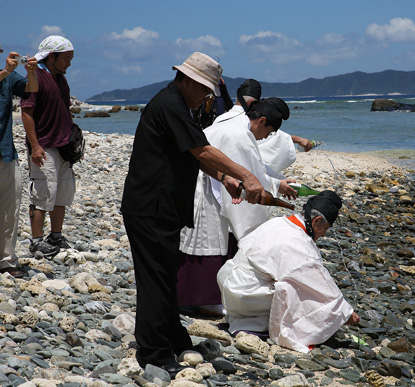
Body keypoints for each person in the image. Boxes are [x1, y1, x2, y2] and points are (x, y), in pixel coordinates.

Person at [121, 51, 265, 377]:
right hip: (150, 207)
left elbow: (192, 154)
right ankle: (153, 352)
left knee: (166, 276)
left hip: (163, 207)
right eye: (204, 90)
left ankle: (172, 337)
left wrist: (224, 177)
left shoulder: (179, 105)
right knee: (155, 279)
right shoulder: (170, 104)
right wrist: (246, 176)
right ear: (188, 80)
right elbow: (203, 149)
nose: (205, 98)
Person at [177, 96, 296, 317]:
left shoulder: (234, 123)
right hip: (206, 185)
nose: (266, 137)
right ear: (261, 121)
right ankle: (205, 300)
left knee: (205, 238)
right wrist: (276, 186)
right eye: (268, 132)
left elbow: (254, 168)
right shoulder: (239, 135)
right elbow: (250, 175)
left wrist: (277, 183)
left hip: (208, 180)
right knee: (210, 239)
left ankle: (191, 296)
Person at [217, 190, 360, 353]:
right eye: (325, 228)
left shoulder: (281, 222)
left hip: (230, 282)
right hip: (243, 293)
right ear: (317, 221)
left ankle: (249, 317)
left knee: (296, 281)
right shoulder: (296, 241)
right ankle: (265, 324)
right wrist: (345, 312)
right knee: (298, 289)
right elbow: (319, 282)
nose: (323, 234)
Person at [20, 35, 75, 257]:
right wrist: (35, 145)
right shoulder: (36, 78)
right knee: (42, 195)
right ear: (51, 57)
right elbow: (27, 111)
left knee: (61, 194)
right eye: (66, 59)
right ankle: (36, 241)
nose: (69, 63)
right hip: (44, 146)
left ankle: (56, 236)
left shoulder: (61, 79)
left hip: (63, 147)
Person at [0, 42, 38, 278]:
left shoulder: (9, 79)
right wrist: (4, 72)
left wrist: (31, 72)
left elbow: (31, 90)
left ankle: (6, 260)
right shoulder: (4, 75)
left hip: (5, 152)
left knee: (10, 209)